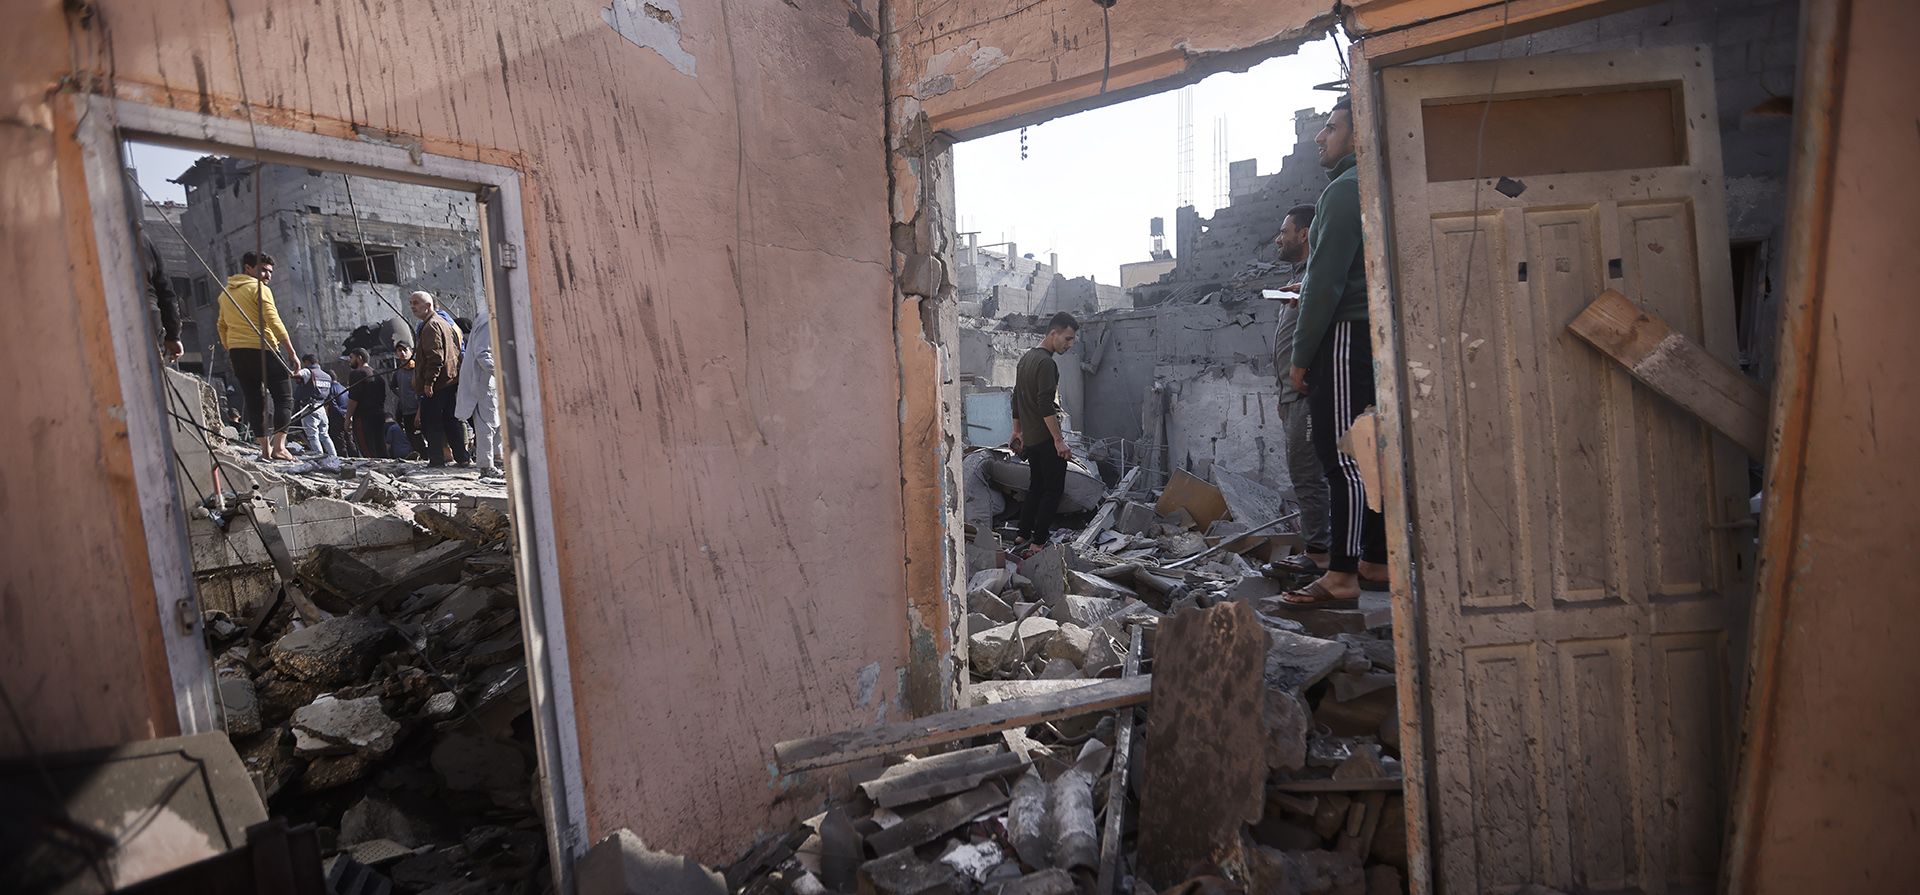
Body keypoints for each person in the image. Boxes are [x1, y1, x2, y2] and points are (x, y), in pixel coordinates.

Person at [1282, 96, 1388, 606]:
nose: (1320, 137)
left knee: (1342, 454)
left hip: (1346, 333)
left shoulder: (1344, 191)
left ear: (1357, 134)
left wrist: (1301, 357)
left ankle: (1341, 575)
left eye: (1331, 128)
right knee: (1369, 453)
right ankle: (1377, 560)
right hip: (1372, 334)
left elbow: (1326, 283)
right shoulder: (1376, 185)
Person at [1265, 205, 1332, 575]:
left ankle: (1320, 555)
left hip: (1307, 395)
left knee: (1308, 475)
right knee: (1304, 473)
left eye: (1284, 231)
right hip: (1291, 398)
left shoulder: (1316, 278)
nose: (1279, 239)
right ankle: (1321, 550)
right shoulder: (1299, 280)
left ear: (1304, 233)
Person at [217, 252, 301, 461]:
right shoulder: (259, 289)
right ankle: (279, 447)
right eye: (262, 270)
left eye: (270, 271)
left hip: (238, 353)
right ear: (248, 268)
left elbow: (221, 325)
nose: (267, 275)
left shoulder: (226, 294)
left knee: (254, 401)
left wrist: (230, 348)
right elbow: (273, 319)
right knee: (284, 398)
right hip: (264, 350)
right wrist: (291, 351)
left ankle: (265, 450)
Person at [1011, 311, 1078, 551]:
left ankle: (1022, 535)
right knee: (1053, 491)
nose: (1069, 345)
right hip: (1046, 439)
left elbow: (1016, 397)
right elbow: (1045, 404)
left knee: (1036, 486)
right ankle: (1038, 542)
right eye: (1067, 339)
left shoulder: (1026, 358)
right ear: (1053, 333)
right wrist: (1059, 441)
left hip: (1031, 439)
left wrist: (1017, 431)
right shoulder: (1047, 363)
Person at [409, 291, 470, 468]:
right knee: (450, 420)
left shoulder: (431, 326)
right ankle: (462, 457)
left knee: (431, 422)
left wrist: (429, 382)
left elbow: (435, 357)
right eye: (411, 303)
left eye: (416, 303)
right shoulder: (443, 322)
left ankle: (437, 459)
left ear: (428, 306)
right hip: (449, 380)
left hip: (438, 383)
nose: (412, 307)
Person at [454, 307, 503, 478]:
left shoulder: (495, 316)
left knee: (498, 422)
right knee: (486, 424)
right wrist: (502, 374)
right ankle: (486, 466)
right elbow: (483, 353)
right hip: (484, 379)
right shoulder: (488, 318)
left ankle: (497, 459)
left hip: (492, 378)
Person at [292, 354, 340, 469]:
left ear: (307, 362)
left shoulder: (308, 372)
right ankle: (334, 458)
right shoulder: (327, 376)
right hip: (321, 407)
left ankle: (319, 458)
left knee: (312, 436)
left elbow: (294, 374)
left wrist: (296, 367)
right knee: (324, 435)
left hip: (309, 408)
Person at [345, 350, 389, 458]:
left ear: (359, 358)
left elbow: (353, 399)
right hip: (379, 416)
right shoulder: (377, 375)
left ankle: (375, 467)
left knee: (367, 450)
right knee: (380, 447)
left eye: (351, 357)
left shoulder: (357, 373)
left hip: (363, 417)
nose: (349, 361)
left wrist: (348, 418)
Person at [389, 342, 425, 458]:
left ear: (411, 351)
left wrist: (419, 413)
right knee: (411, 437)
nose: (402, 353)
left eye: (405, 350)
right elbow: (393, 386)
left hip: (418, 410)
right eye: (399, 351)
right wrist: (402, 396)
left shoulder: (417, 369)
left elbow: (422, 393)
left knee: (422, 436)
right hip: (406, 410)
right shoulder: (398, 371)